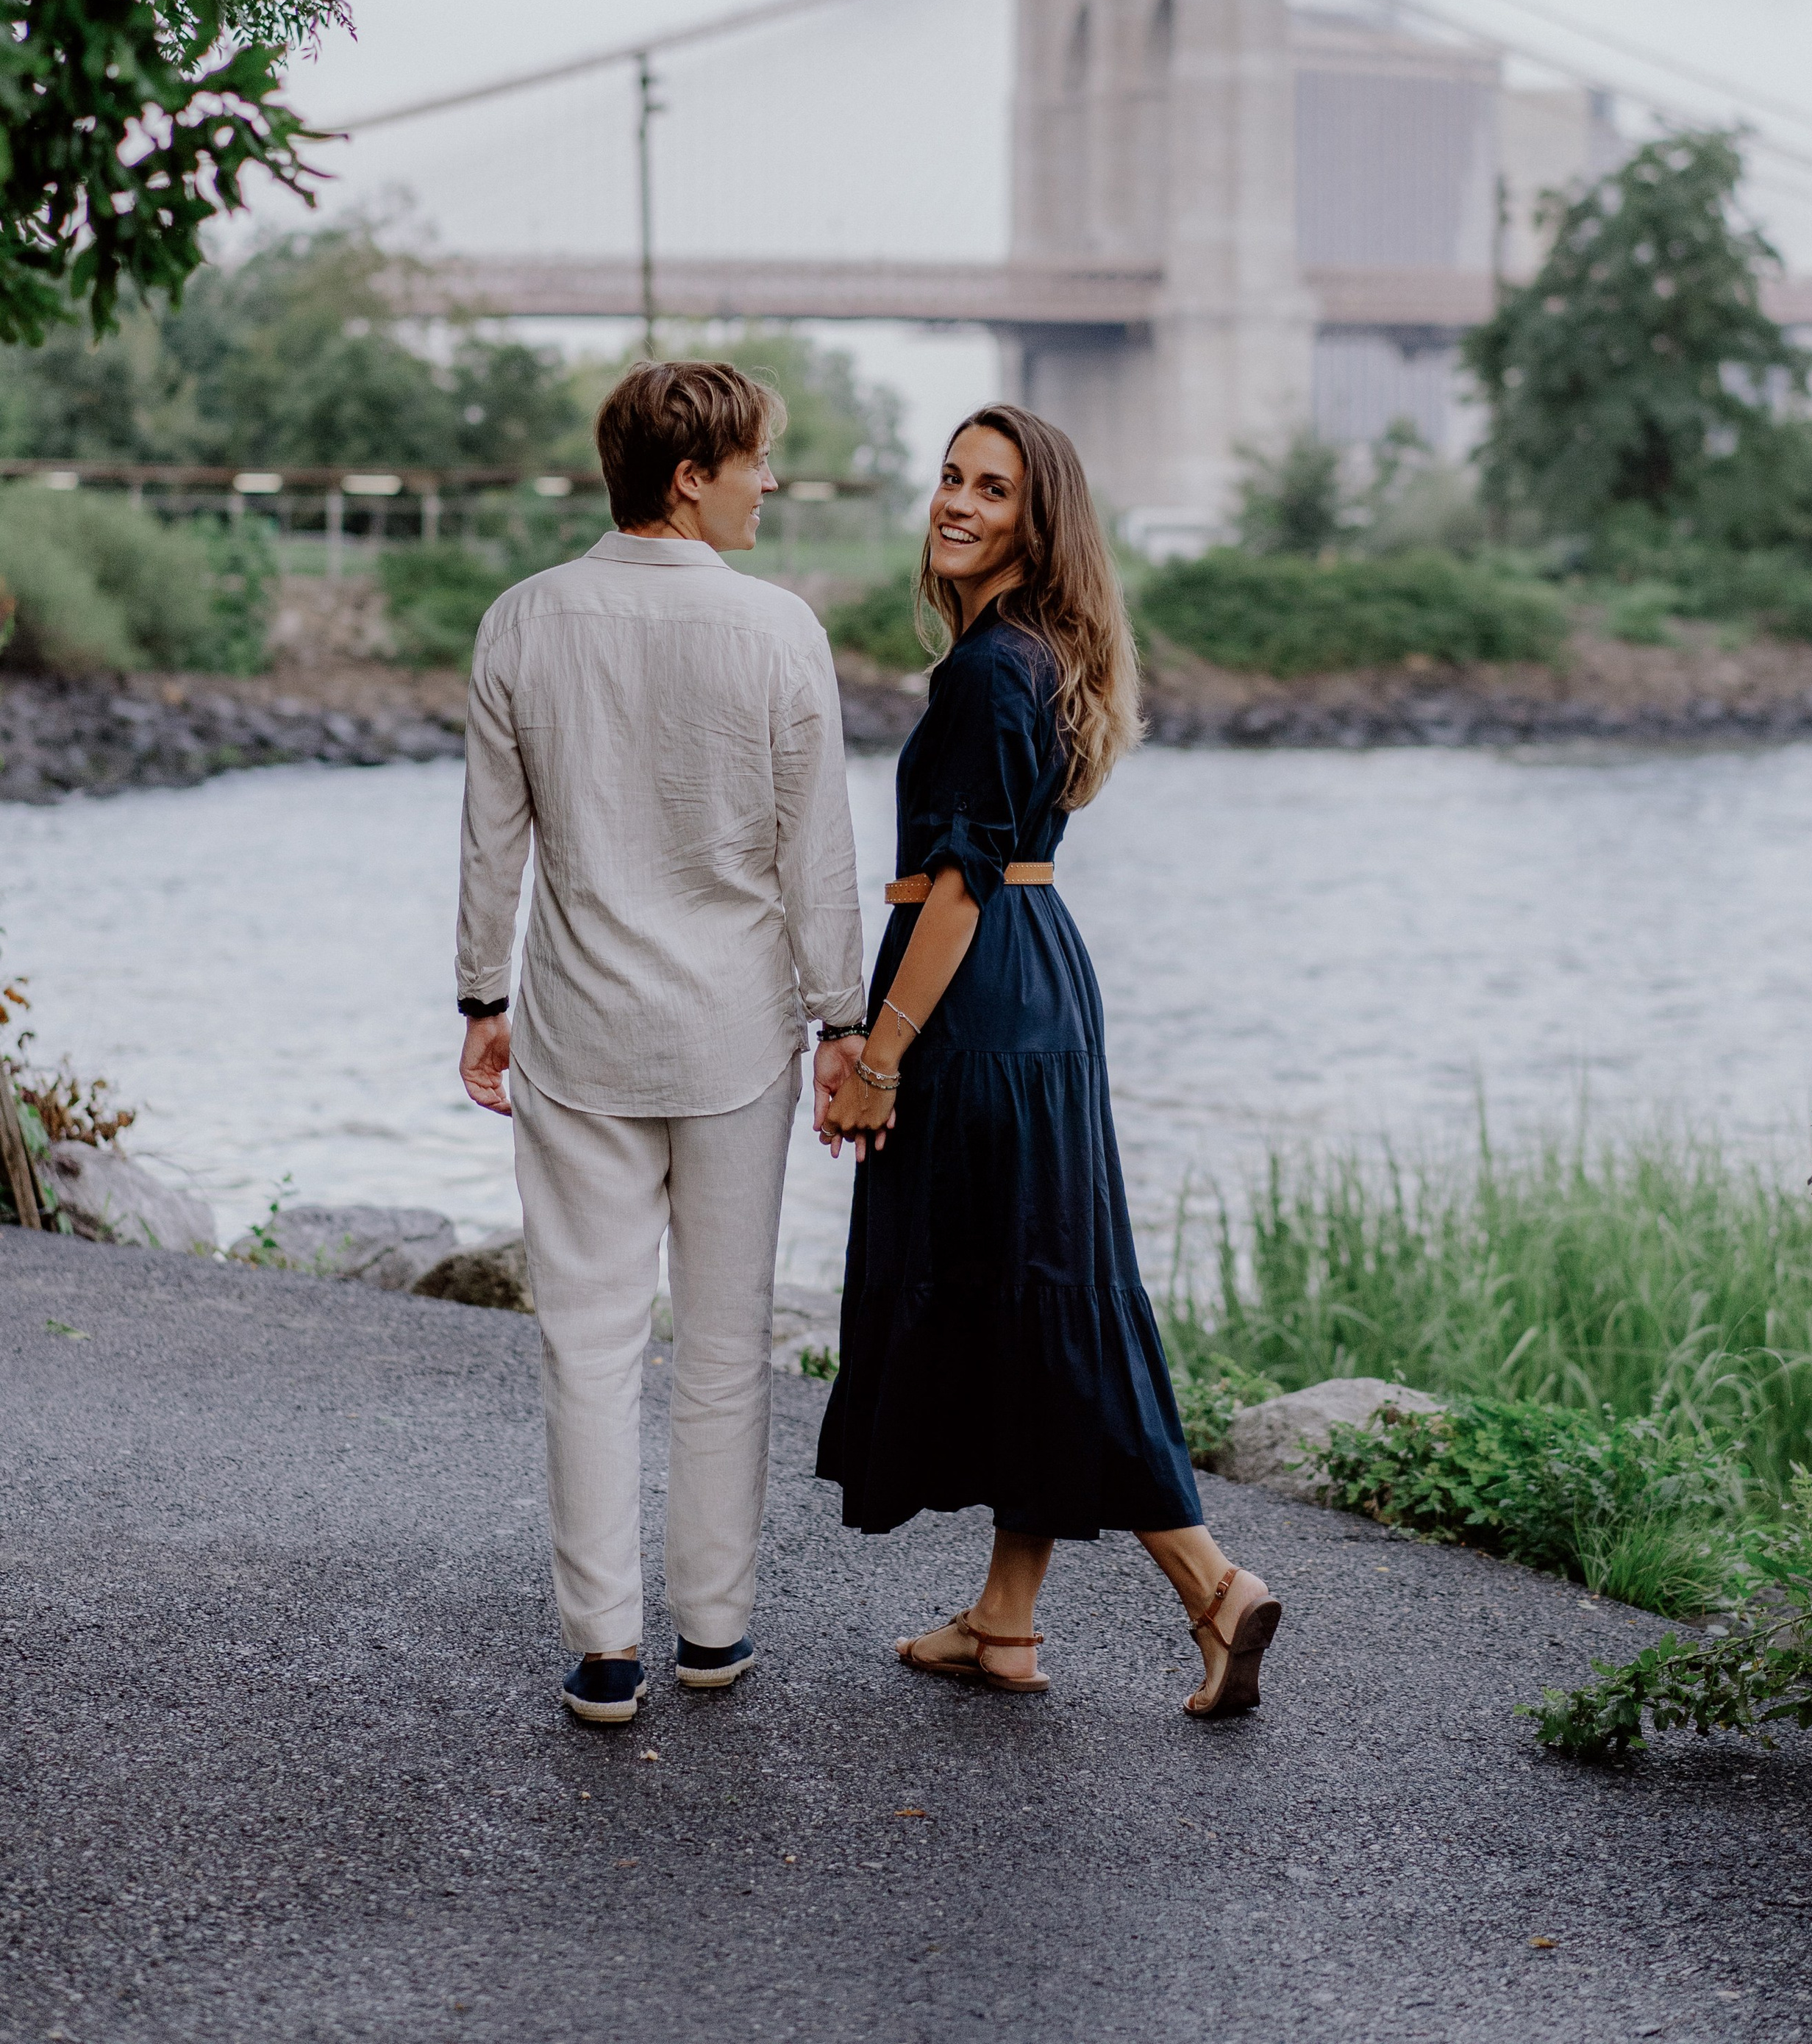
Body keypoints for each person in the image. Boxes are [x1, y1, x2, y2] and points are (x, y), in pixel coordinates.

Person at [813, 404, 1282, 1717]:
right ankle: (1004, 1624)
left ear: (1038, 518)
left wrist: (881, 1057)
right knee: (1033, 1284)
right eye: (950, 479)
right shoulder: (1043, 653)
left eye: (992, 490)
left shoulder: (983, 673)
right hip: (1041, 984)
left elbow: (952, 890)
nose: (956, 504)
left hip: (977, 997)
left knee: (1029, 1297)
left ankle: (1210, 1582)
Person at [456, 360, 867, 1726]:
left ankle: (605, 1651)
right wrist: (842, 1023)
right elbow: (817, 859)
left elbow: (492, 839)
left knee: (585, 1339)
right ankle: (715, 1631)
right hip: (738, 1033)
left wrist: (479, 1000)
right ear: (690, 475)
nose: (768, 485)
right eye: (756, 461)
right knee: (726, 1335)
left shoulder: (523, 621)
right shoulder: (779, 632)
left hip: (579, 1028)